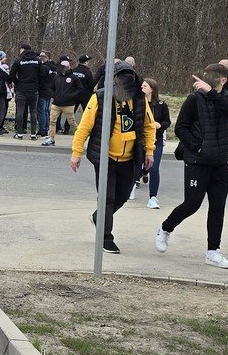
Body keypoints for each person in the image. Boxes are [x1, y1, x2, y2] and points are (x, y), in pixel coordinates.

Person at [154, 65, 228, 268]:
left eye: (211, 77)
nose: (206, 79)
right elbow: (180, 127)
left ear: (222, 80)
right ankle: (165, 228)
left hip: (220, 162)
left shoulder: (227, 98)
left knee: (218, 207)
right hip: (197, 161)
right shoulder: (194, 99)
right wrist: (196, 146)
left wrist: (210, 92)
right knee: (192, 204)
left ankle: (213, 251)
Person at [69, 62, 155, 253]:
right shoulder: (99, 98)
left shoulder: (139, 99)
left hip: (130, 158)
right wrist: (76, 152)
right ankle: (105, 237)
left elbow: (148, 126)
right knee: (106, 198)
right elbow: (84, 127)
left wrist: (149, 151)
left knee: (122, 197)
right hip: (105, 158)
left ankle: (98, 217)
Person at [141, 78, 172, 209]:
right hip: (140, 140)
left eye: (145, 86)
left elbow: (167, 122)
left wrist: (160, 125)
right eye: (142, 86)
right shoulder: (138, 103)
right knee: (136, 166)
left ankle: (152, 197)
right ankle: (131, 186)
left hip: (156, 140)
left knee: (154, 167)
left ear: (152, 89)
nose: (142, 88)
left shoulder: (161, 105)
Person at [44, 56, 82, 147]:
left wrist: (71, 96)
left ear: (67, 67)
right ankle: (51, 138)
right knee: (52, 121)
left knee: (72, 122)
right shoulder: (56, 77)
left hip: (68, 104)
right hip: (56, 103)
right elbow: (50, 87)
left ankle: (80, 137)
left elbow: (80, 88)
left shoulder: (74, 77)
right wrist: (54, 95)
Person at [12, 47, 42, 140]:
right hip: (33, 90)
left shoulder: (18, 60)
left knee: (20, 111)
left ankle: (19, 133)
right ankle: (33, 134)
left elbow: (12, 74)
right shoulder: (37, 60)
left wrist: (18, 83)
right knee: (33, 112)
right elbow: (41, 74)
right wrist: (36, 84)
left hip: (21, 89)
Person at [37, 51, 56, 139]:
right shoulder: (54, 67)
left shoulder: (44, 67)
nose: (40, 57)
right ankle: (47, 129)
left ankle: (42, 131)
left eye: (42, 56)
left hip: (43, 90)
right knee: (46, 111)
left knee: (42, 111)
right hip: (50, 91)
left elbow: (41, 78)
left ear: (47, 57)